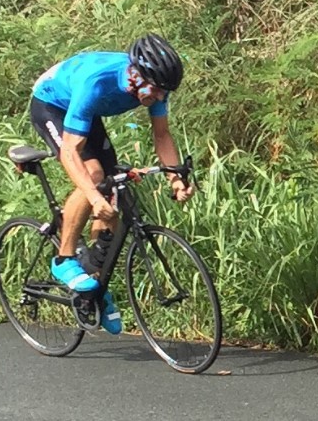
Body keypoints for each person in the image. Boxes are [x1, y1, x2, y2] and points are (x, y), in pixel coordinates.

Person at [29, 34, 195, 334]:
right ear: (135, 75)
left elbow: (162, 135)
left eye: (164, 93)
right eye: (156, 91)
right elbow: (70, 153)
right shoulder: (98, 82)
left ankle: (92, 280)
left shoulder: (156, 86)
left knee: (114, 190)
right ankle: (64, 259)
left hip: (87, 112)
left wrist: (175, 177)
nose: (159, 98)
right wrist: (93, 197)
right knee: (93, 178)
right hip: (53, 103)